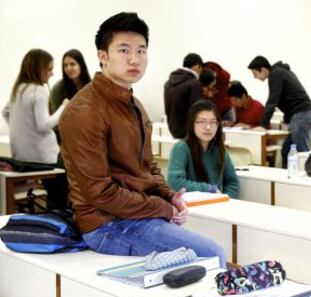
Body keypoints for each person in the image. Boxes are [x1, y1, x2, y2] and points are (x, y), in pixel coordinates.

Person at [59, 12, 226, 267]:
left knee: (209, 249)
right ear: (103, 56)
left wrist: (169, 196)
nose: (135, 59)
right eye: (124, 50)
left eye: (141, 50)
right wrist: (163, 208)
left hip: (135, 215)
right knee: (212, 254)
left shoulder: (135, 104)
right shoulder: (84, 110)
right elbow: (100, 194)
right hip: (106, 224)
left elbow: (148, 167)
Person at [2, 49, 69, 210]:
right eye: (50, 69)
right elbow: (44, 125)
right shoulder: (39, 90)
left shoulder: (18, 88)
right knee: (65, 184)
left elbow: (5, 112)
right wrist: (63, 108)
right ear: (39, 68)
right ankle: (58, 216)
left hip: (21, 157)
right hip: (43, 158)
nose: (52, 73)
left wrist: (23, 129)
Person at [248, 56, 311, 168]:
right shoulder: (280, 72)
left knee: (300, 152)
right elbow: (288, 97)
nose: (255, 77)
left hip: (301, 114)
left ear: (263, 70)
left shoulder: (275, 75)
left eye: (255, 74)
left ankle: (305, 180)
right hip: (299, 114)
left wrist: (263, 125)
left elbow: (273, 100)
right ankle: (286, 178)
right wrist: (287, 119)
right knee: (286, 151)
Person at [167, 100, 239, 198]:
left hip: (216, 205)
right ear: (192, 124)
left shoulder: (219, 149)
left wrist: (226, 200)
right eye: (202, 122)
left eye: (213, 122)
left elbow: (232, 182)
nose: (208, 127)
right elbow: (175, 182)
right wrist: (209, 189)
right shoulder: (181, 148)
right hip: (189, 208)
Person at [164, 53, 203, 139]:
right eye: (201, 69)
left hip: (173, 130)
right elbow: (197, 111)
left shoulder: (168, 83)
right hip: (189, 133)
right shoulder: (193, 84)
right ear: (197, 67)